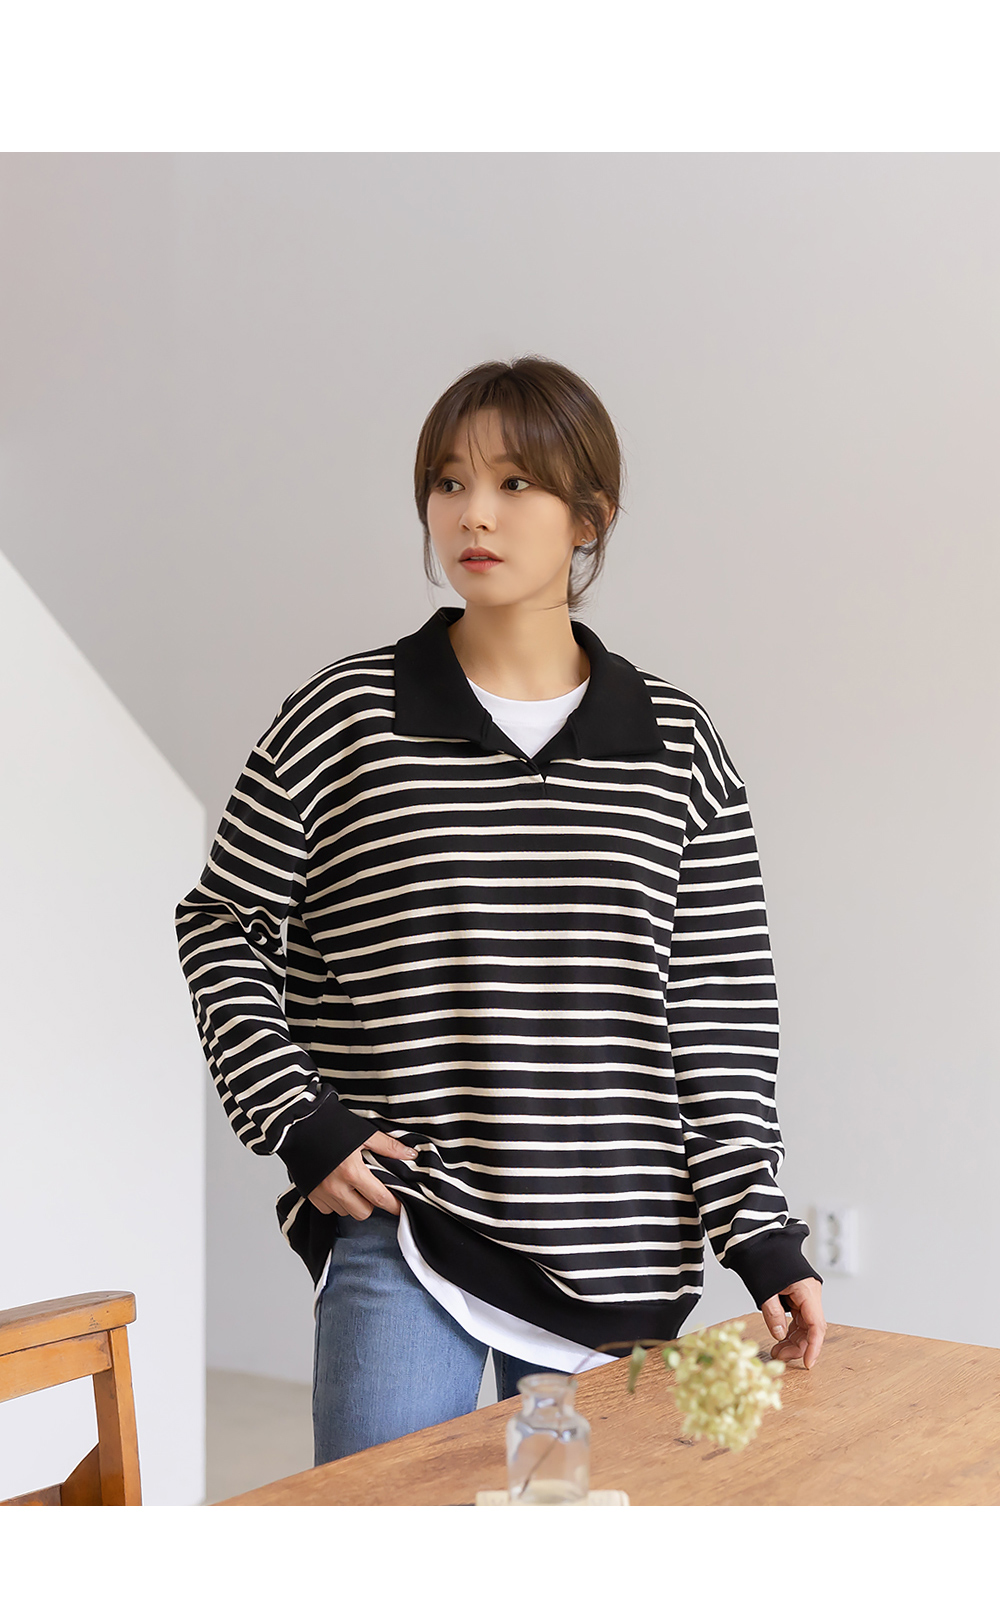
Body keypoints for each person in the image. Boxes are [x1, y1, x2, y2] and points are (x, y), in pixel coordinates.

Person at [175, 355, 826, 1467]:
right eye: (448, 481)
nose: (472, 513)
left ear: (590, 517)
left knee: (579, 1535)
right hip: (408, 1218)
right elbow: (222, 922)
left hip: (623, 1245)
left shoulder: (676, 743)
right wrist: (301, 1120)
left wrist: (757, 1229)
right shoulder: (345, 716)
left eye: (516, 483)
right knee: (379, 1534)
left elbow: (717, 1011)